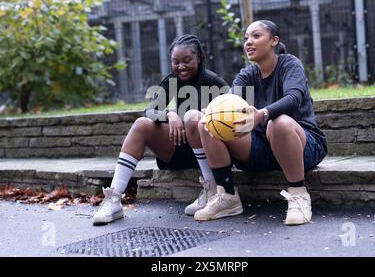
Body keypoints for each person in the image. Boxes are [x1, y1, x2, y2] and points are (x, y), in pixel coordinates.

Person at [195, 20, 327, 225]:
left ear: (274, 40)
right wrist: (214, 112)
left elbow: (294, 98)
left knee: (279, 122)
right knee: (209, 124)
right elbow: (230, 103)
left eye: (256, 36)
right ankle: (227, 196)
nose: (248, 42)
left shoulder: (289, 64)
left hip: (303, 145)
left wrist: (263, 114)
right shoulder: (247, 74)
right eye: (246, 38)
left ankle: (298, 195)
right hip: (261, 148)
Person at [92, 34, 228, 225]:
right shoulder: (171, 81)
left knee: (193, 119)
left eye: (187, 60)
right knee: (141, 124)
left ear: (199, 57)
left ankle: (211, 188)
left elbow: (232, 114)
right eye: (176, 62)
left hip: (210, 153)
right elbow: (149, 110)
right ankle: (113, 200)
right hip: (177, 149)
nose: (181, 66)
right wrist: (169, 114)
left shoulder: (214, 82)